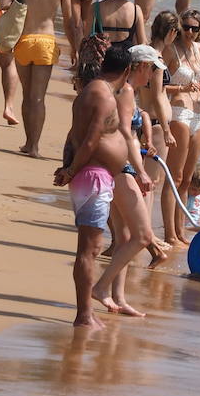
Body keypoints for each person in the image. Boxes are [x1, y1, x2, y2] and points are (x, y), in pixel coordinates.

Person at [54, 42, 151, 325]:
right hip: (93, 178)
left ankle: (86, 311)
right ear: (129, 69)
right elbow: (91, 140)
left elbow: (73, 136)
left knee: (91, 248)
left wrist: (67, 165)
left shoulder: (90, 91)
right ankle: (84, 314)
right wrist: (71, 170)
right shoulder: (105, 97)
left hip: (93, 176)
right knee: (89, 249)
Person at [12, 0, 72, 159]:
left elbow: (3, 2)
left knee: (27, 95)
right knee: (38, 97)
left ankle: (28, 142)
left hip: (24, 39)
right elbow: (70, 21)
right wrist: (75, 47)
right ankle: (35, 147)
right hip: (46, 41)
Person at [164, 8, 200, 241]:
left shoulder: (199, 50)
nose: (191, 32)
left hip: (199, 113)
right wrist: (182, 88)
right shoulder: (170, 50)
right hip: (179, 111)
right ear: (179, 27)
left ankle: (180, 230)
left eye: (195, 28)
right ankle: (170, 232)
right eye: (187, 27)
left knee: (188, 177)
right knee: (176, 176)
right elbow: (157, 86)